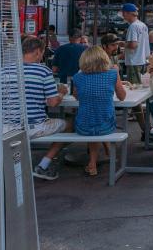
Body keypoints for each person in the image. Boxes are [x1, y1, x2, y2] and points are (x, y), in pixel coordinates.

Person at [35, 45, 128, 180]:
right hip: (107, 124)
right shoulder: (112, 74)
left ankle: (93, 163)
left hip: (83, 126)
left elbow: (77, 96)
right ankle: (96, 160)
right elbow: (122, 97)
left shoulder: (78, 78)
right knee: (98, 119)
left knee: (89, 118)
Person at [21, 36, 68, 141]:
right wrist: (61, 93)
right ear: (38, 52)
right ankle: (48, 157)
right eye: (42, 53)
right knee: (68, 124)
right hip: (33, 127)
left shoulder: (4, 70)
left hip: (6, 128)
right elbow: (52, 103)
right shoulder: (43, 71)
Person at [121, 2, 150, 84]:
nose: (123, 16)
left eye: (123, 13)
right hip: (142, 60)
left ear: (128, 13)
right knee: (141, 88)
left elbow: (133, 45)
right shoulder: (143, 25)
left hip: (134, 61)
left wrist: (122, 44)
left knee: (134, 87)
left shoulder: (133, 26)